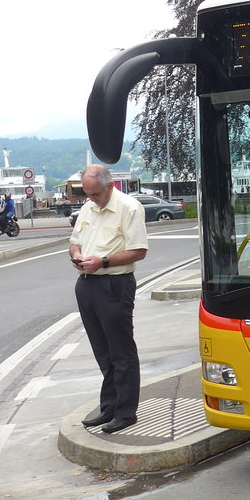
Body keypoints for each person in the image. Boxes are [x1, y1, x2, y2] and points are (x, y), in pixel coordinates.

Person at [69, 164, 148, 433]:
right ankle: (110, 407)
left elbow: (138, 251)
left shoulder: (129, 207)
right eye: (87, 194)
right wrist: (78, 254)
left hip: (114, 283)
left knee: (121, 350)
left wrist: (102, 261)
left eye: (95, 194)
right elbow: (75, 241)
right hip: (87, 283)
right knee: (102, 350)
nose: (91, 199)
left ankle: (126, 412)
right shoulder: (88, 207)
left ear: (110, 186)